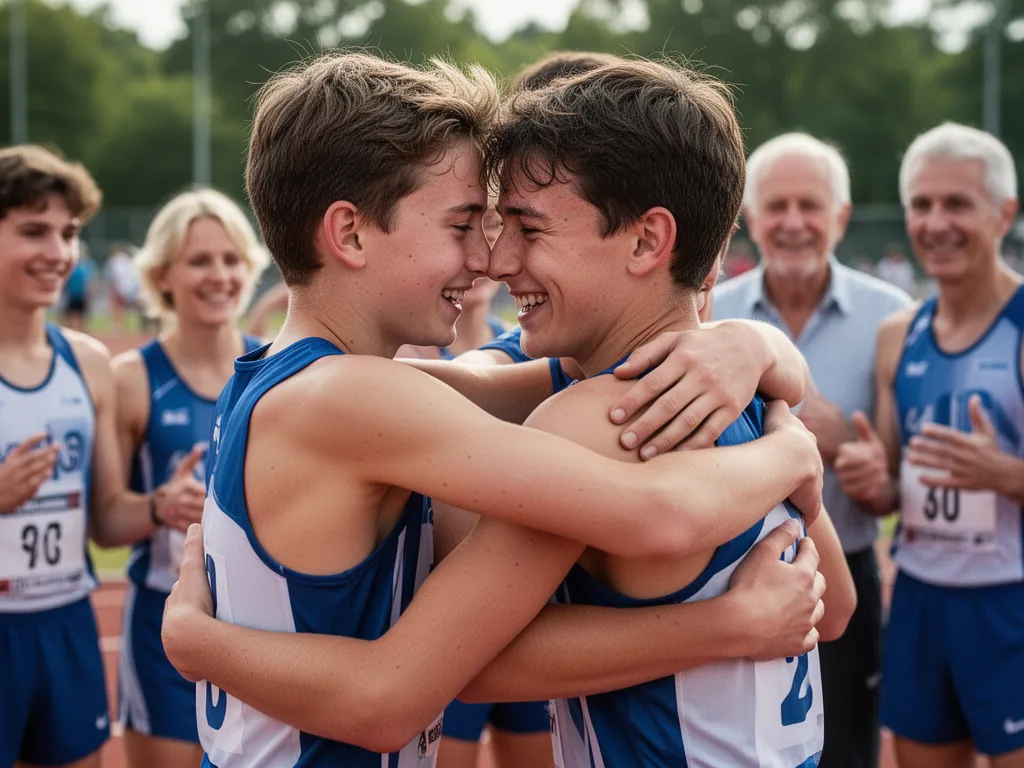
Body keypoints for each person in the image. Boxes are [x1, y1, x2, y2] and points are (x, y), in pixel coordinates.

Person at [159, 53, 826, 767]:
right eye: (463, 223)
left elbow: (490, 380)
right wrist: (793, 450)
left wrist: (757, 344)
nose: (488, 258)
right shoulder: (354, 398)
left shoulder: (300, 382)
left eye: (518, 227)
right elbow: (657, 513)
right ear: (350, 234)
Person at [713, 132, 913, 768]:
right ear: (749, 218)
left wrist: (867, 461)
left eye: (810, 206)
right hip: (730, 584)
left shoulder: (893, 318)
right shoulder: (714, 317)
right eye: (777, 207)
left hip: (849, 571)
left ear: (842, 217)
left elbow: (907, 482)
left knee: (849, 750)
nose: (793, 223)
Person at [0, 144, 202, 768]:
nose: (58, 253)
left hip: (67, 622)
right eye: (33, 231)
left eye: (68, 234)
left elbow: (109, 519)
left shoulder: (88, 364)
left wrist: (159, 507)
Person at [835, 122, 1024, 768]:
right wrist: (871, 482)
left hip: (1010, 603)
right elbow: (892, 482)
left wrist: (1004, 474)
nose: (935, 222)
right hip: (918, 599)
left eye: (956, 204)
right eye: (921, 204)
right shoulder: (899, 334)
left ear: (1005, 214)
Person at [112, 188, 268, 767]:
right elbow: (106, 521)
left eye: (231, 260)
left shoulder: (277, 365)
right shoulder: (132, 378)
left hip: (260, 628)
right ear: (162, 274)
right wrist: (157, 506)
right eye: (199, 260)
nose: (219, 275)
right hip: (161, 624)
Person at [62, 243, 96, 330]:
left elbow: (91, 280)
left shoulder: (88, 265)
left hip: (83, 295)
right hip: (71, 294)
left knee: (83, 319)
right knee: (68, 319)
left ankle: (83, 337)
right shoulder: (71, 265)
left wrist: (90, 293)